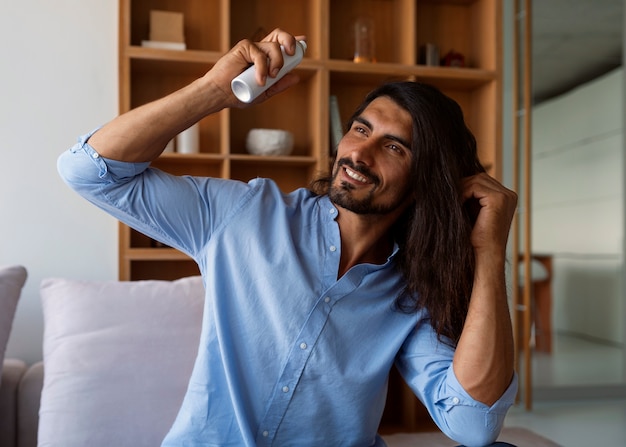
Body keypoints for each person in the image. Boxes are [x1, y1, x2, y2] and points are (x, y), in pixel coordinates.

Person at [58, 29, 518, 447]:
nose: (359, 153)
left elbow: (473, 423)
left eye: (394, 147)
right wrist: (215, 91)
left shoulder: (412, 289)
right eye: (360, 129)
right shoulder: (243, 215)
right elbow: (88, 172)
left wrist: (489, 248)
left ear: (425, 181)